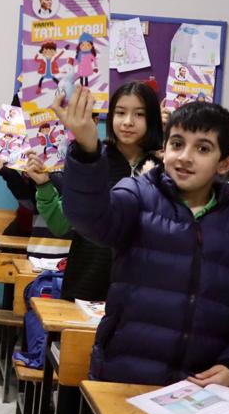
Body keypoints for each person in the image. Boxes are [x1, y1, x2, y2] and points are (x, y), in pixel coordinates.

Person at [55, 91, 229, 387]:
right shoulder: (137, 195)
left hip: (202, 390)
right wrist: (88, 150)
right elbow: (91, 219)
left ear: (225, 163)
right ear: (164, 150)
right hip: (125, 378)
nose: (185, 157)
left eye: (203, 149)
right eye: (177, 144)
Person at [22, 81, 162, 301]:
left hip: (138, 289)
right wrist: (43, 185)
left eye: (139, 114)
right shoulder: (91, 160)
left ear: (152, 118)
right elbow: (61, 224)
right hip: (86, 282)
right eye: (120, 112)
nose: (128, 121)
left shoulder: (163, 168)